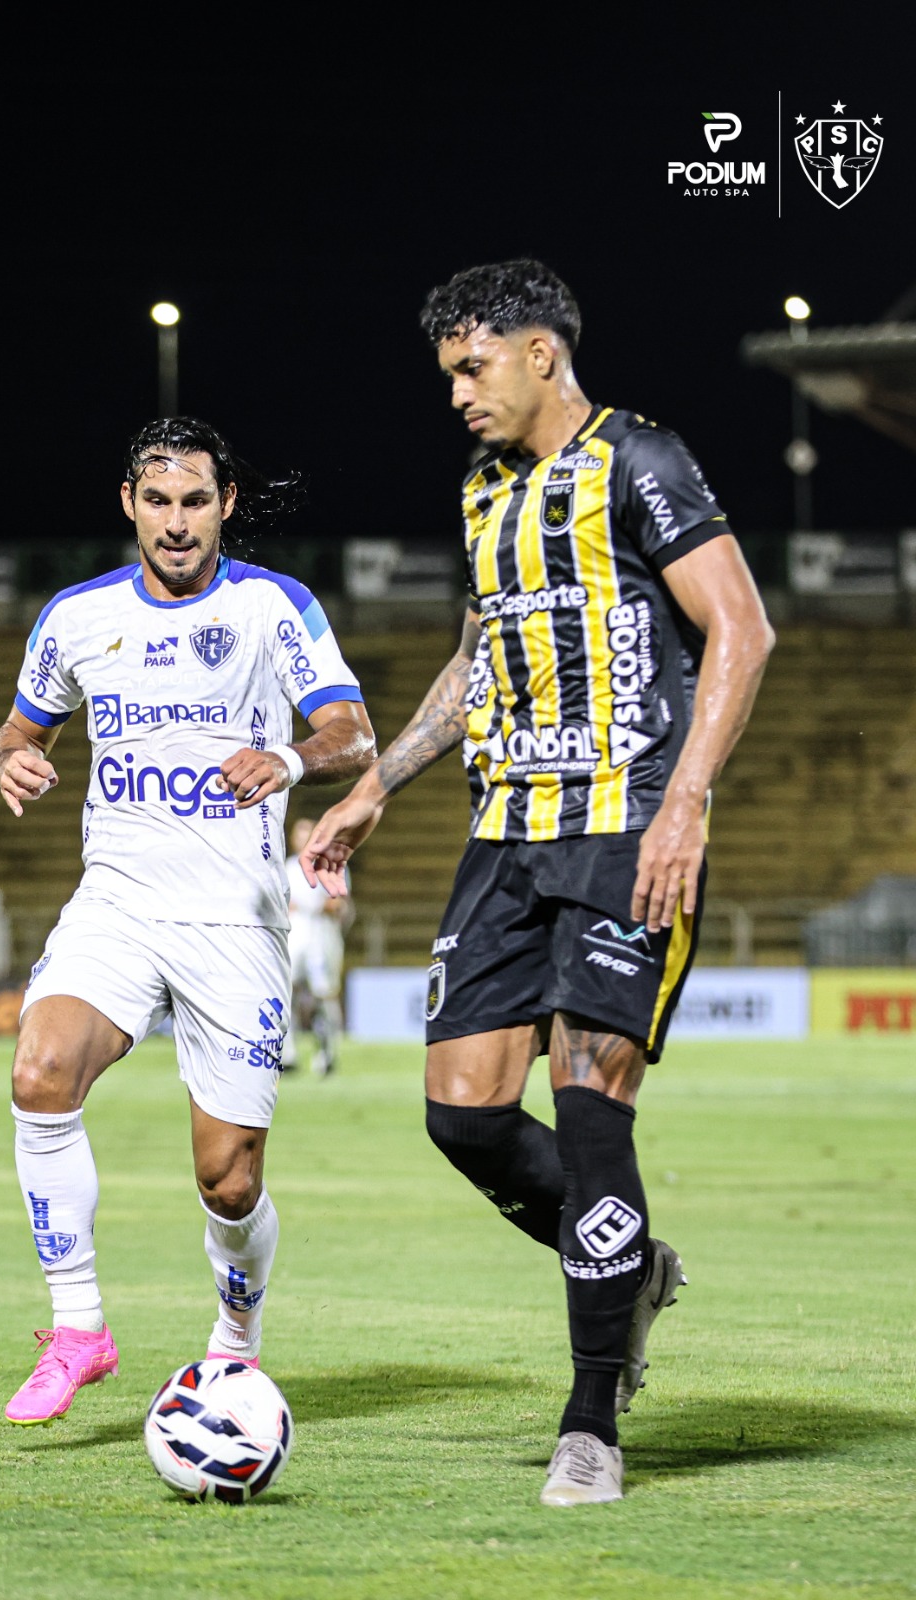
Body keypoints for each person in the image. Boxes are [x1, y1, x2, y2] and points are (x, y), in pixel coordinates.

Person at [301, 261, 774, 1506]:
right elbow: (478, 658)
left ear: (540, 354)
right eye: (447, 373)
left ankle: (591, 1423)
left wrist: (686, 801)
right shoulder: (483, 489)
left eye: (473, 367)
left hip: (626, 825)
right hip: (507, 830)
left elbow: (742, 626)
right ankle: (632, 1266)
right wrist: (374, 786)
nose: (457, 393)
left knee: (588, 1100)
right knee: (460, 1114)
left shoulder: (639, 460)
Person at [0, 416, 376, 1426]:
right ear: (128, 503)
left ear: (226, 503)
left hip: (233, 922)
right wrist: (13, 759)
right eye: (156, 501)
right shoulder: (76, 617)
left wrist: (287, 758)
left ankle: (236, 1340)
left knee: (228, 1181)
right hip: (115, 903)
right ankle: (79, 1328)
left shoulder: (271, 606)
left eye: (195, 501)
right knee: (39, 1073)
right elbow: (19, 729)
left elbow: (352, 733)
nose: (175, 522)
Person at [285, 816, 349, 1076]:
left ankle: (326, 1052)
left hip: (321, 934)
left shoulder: (329, 864)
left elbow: (338, 903)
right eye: (298, 834)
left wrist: (316, 905)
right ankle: (286, 1053)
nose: (302, 839)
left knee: (323, 994)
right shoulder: (287, 867)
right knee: (286, 991)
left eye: (307, 834)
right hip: (294, 933)